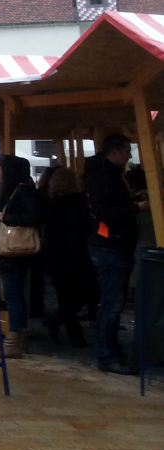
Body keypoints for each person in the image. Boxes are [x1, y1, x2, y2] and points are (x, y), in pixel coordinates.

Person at [84, 134, 148, 374]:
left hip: (112, 243)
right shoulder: (104, 176)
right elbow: (103, 211)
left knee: (112, 302)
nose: (130, 155)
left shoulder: (103, 173)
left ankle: (110, 351)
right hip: (110, 245)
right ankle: (107, 355)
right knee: (111, 304)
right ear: (116, 152)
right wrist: (135, 208)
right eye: (128, 151)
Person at [0, 155, 43, 357]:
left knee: (12, 295)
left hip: (15, 252)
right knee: (12, 294)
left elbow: (35, 216)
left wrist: (7, 218)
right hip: (6, 251)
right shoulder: (7, 191)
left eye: (0, 170)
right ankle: (18, 338)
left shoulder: (22, 191)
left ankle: (15, 340)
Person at [41, 166, 94, 347]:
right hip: (78, 253)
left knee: (64, 295)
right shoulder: (81, 201)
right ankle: (59, 323)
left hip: (56, 255)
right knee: (86, 292)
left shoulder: (49, 203)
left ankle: (72, 334)